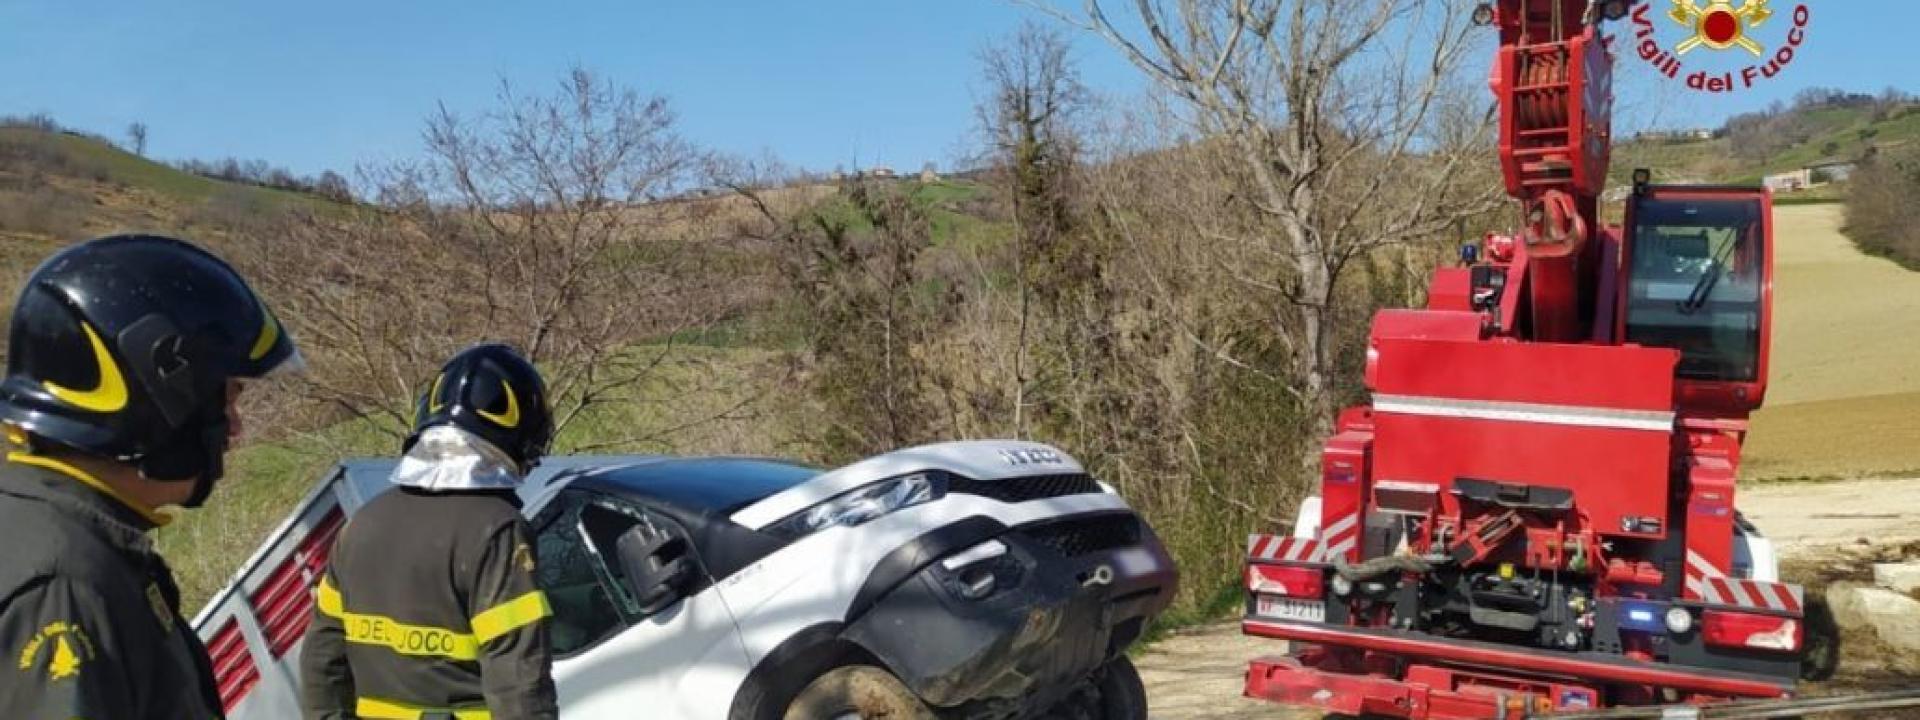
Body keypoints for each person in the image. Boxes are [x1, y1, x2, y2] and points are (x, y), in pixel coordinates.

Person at [0, 234, 302, 718]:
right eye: (226, 401)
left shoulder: (56, 532)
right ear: (160, 398)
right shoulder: (66, 588)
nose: (237, 430)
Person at [300, 343, 558, 720]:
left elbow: (322, 663)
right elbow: (518, 678)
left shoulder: (361, 524)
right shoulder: (497, 530)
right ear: (521, 435)